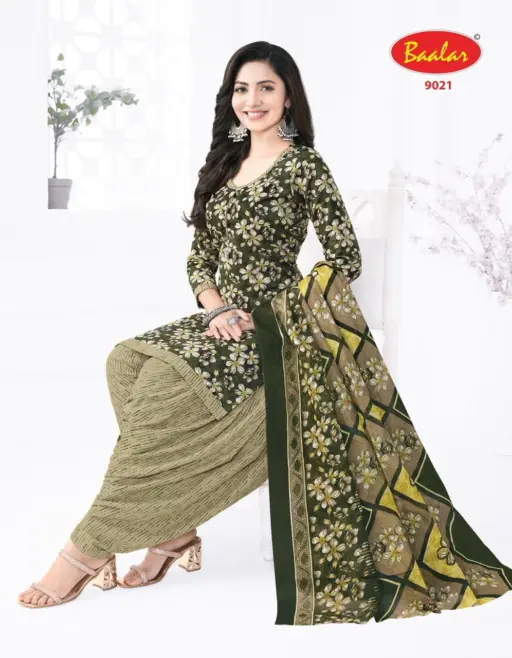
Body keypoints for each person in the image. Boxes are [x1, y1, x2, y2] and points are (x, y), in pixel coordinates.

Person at [18, 40, 349, 607]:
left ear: (288, 96)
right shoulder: (223, 163)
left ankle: (88, 547)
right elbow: (200, 257)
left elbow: (344, 258)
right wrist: (215, 306)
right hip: (222, 318)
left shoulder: (304, 166)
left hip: (276, 326)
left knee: (165, 385)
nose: (252, 99)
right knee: (127, 361)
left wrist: (279, 311)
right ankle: (172, 530)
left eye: (266, 87)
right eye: (241, 88)